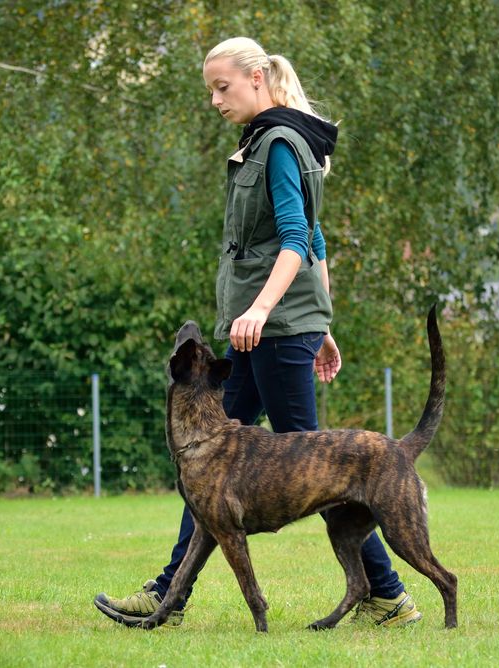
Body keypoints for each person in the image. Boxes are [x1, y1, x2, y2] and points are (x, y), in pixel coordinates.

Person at [93, 37, 421, 629]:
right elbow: (316, 240)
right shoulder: (270, 141)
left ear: (256, 78)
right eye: (210, 91)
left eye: (222, 87)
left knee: (324, 471)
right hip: (270, 331)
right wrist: (320, 322)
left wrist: (268, 311)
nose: (215, 100)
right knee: (208, 463)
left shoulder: (278, 144)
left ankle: (388, 595)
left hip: (270, 329)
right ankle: (168, 595)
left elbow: (298, 239)